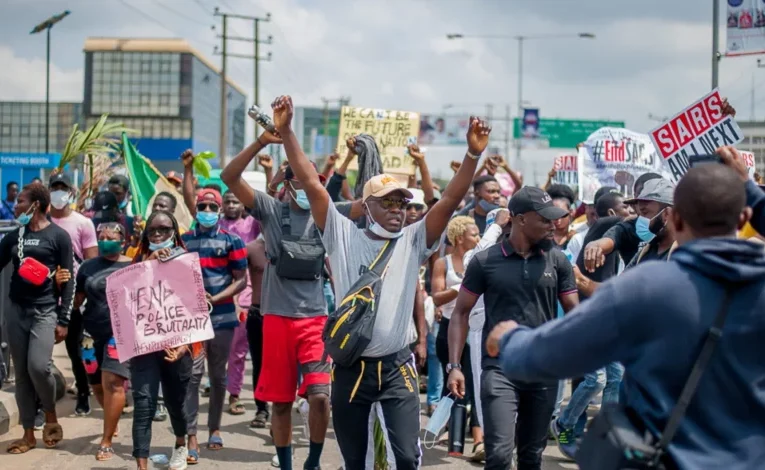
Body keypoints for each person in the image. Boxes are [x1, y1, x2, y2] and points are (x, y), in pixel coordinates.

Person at [491, 163, 765, 469]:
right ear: (744, 217)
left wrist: (509, 339)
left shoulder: (645, 288)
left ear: (674, 217)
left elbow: (547, 357)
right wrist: (751, 191)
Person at [270, 94, 492, 469]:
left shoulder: (414, 238)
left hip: (397, 369)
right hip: (351, 369)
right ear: (365, 205)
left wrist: (472, 156)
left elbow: (451, 199)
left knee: (406, 457)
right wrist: (287, 130)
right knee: (355, 461)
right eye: (388, 203)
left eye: (402, 204)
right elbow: (309, 181)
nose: (398, 210)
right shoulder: (341, 235)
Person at [222, 124, 332, 470]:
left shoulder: (327, 212)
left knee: (320, 397)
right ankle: (286, 465)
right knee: (280, 403)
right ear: (285, 183)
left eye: (312, 177)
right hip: (276, 320)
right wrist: (261, 141)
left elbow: (367, 207)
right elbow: (229, 175)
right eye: (298, 177)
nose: (307, 185)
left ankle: (312, 461)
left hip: (315, 319)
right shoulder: (270, 209)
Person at [448, 186, 579, 470]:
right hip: (498, 370)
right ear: (520, 219)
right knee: (498, 454)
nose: (552, 224)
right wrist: (454, 366)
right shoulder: (486, 261)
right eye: (544, 218)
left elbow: (575, 312)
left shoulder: (556, 260)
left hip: (543, 370)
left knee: (531, 456)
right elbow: (460, 313)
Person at [179, 155, 248, 463]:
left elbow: (242, 280)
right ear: (196, 209)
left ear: (220, 211)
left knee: (217, 378)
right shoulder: (184, 241)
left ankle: (215, 428)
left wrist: (217, 297)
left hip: (222, 319)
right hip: (191, 321)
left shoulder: (232, 241)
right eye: (202, 206)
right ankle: (191, 434)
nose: (207, 211)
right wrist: (188, 169)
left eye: (212, 207)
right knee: (192, 377)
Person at [0, 183, 74, 453]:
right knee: (21, 374)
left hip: (44, 312)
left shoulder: (59, 236)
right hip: (16, 311)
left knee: (38, 367)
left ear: (37, 205)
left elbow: (69, 280)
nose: (16, 205)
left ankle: (51, 415)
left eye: (21, 201)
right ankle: (29, 434)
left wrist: (63, 319)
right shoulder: (14, 235)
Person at [130, 210, 195, 470]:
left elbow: (196, 309)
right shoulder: (135, 262)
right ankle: (142, 466)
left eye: (164, 229)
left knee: (175, 403)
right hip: (144, 346)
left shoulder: (188, 262)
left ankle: (180, 443)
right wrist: (149, 264)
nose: (158, 234)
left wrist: (185, 345)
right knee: (144, 404)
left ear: (174, 233)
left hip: (176, 347)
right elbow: (122, 296)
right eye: (152, 230)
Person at [72, 222, 132, 461]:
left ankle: (106, 441)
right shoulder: (87, 267)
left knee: (113, 382)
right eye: (102, 236)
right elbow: (77, 300)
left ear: (123, 240)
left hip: (119, 333)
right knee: (95, 382)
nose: (106, 240)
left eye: (111, 236)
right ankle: (111, 416)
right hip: (89, 333)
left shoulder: (134, 266)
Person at [431, 216, 484, 460]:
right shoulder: (444, 263)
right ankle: (450, 435)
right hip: (450, 329)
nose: (478, 238)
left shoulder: (481, 260)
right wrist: (462, 287)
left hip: (475, 330)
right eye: (474, 234)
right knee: (452, 384)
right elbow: (436, 298)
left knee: (476, 383)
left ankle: (479, 440)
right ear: (460, 237)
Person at [48, 173, 99, 416]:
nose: (59, 192)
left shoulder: (83, 224)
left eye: (63, 187)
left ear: (71, 192)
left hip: (73, 298)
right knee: (40, 352)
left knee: (75, 350)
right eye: (54, 187)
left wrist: (80, 292)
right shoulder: (42, 222)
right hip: (45, 296)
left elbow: (91, 263)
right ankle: (41, 403)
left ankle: (83, 393)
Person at [215, 190, 261, 417]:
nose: (231, 205)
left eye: (236, 201)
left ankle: (234, 395)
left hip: (244, 295)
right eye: (227, 201)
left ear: (244, 205)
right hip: (215, 294)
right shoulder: (214, 225)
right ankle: (214, 389)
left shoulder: (252, 225)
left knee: (238, 350)